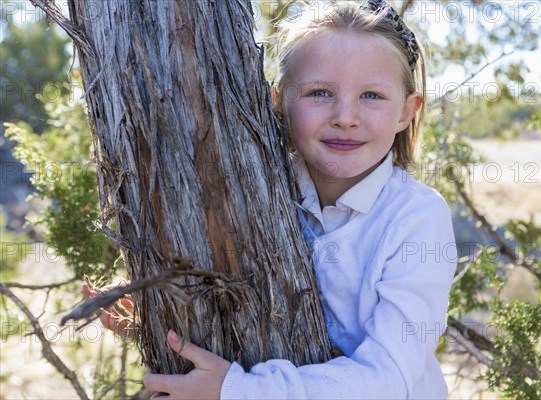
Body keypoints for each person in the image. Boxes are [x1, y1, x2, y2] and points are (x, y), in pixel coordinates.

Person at [85, 1, 457, 398]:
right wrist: (163, 322)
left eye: (371, 95)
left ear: (406, 110)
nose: (345, 116)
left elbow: (388, 380)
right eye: (319, 92)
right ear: (278, 101)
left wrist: (238, 391)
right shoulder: (257, 191)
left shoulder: (416, 217)